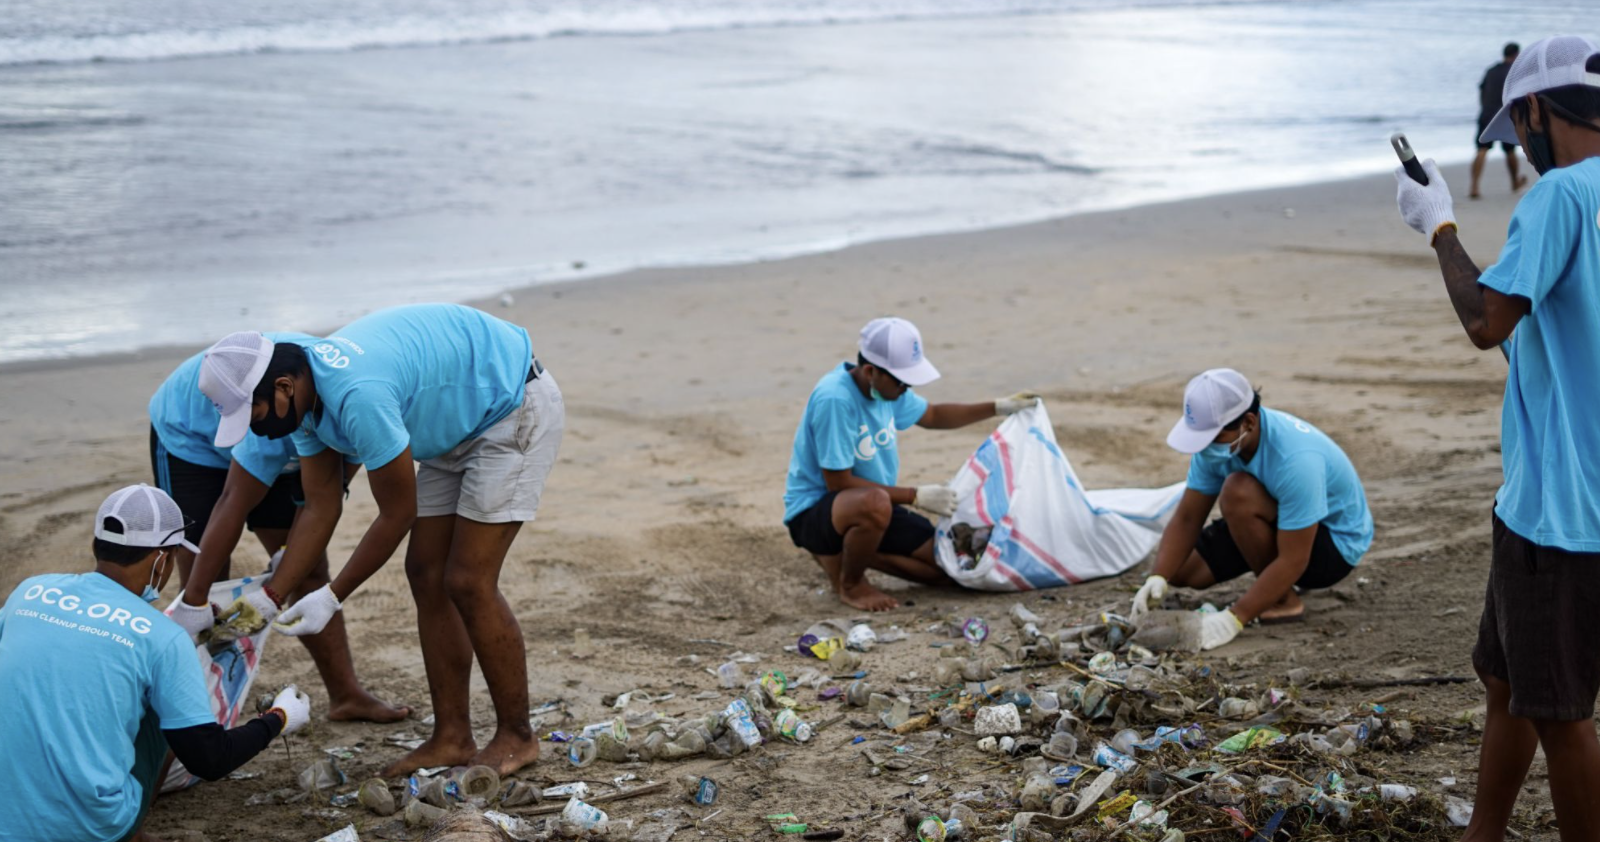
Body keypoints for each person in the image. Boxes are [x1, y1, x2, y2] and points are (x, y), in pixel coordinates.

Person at [200, 303, 564, 778]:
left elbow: (398, 514)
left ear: (284, 386)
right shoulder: (305, 400)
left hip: (509, 404)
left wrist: (331, 596)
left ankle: (517, 735)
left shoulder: (356, 395)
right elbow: (320, 504)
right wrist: (271, 596)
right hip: (453, 425)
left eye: (255, 412)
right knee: (426, 574)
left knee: (468, 579)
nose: (253, 427)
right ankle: (452, 737)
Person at [1393, 34, 1600, 842]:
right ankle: (1484, 832)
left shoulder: (1560, 198)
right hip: (1546, 503)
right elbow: (1545, 334)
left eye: (1520, 130)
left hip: (1561, 511)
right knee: (1503, 676)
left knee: (1560, 713)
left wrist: (1439, 225)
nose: (1524, 149)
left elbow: (1487, 322)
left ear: (1538, 110)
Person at [0, 485, 310, 842]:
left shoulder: (29, 591)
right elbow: (209, 759)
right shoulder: (162, 637)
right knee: (168, 712)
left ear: (97, 545)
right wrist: (278, 719)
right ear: (161, 559)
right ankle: (130, 833)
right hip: (87, 828)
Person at [149, 334, 409, 723]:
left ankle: (346, 695)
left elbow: (331, 486)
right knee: (206, 578)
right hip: (191, 438)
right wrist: (193, 601)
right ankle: (201, 713)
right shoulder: (265, 429)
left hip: (274, 417)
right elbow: (232, 502)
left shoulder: (331, 403)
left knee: (307, 567)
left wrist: (286, 572)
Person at [782, 316, 1039, 612]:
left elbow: (932, 415)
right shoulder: (836, 400)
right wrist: (915, 496)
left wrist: (997, 406)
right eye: (903, 381)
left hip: (870, 504)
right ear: (870, 371)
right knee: (876, 503)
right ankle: (850, 584)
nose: (907, 389)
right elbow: (837, 483)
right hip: (818, 510)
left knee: (949, 570)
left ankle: (850, 553)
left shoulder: (886, 389)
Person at [1128, 369, 1372, 650]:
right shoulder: (1219, 446)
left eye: (1212, 437)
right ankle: (1272, 583)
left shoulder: (1297, 460)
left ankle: (1284, 601)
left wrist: (1234, 618)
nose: (1204, 448)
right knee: (1183, 570)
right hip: (1276, 518)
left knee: (1237, 491)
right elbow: (1187, 518)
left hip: (1333, 546)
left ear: (1248, 422)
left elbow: (1295, 559)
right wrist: (1158, 576)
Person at [1471, 42, 1528, 199]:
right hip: (1505, 114)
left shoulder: (1491, 70)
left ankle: (1474, 186)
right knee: (1510, 150)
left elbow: (1482, 90)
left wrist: (1484, 108)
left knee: (1482, 149)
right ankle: (1514, 182)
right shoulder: (1514, 72)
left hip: (1486, 113)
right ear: (1516, 55)